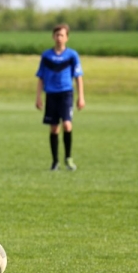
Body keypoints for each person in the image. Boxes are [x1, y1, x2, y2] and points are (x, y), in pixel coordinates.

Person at [35, 23, 85, 171]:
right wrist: (38, 97)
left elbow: (79, 77)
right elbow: (41, 77)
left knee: (67, 125)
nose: (59, 38)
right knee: (54, 129)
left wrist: (81, 97)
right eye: (57, 35)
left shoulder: (72, 55)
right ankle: (55, 161)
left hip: (66, 94)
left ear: (67, 38)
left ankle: (68, 158)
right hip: (51, 94)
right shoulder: (46, 56)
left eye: (62, 35)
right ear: (53, 36)